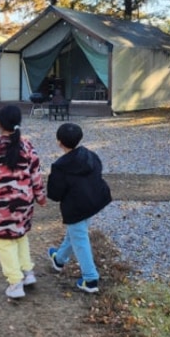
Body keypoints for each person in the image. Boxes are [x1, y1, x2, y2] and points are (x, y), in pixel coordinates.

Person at [0, 105, 46, 299]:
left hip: (0, 205)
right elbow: (36, 175)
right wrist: (40, 196)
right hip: (24, 202)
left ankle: (15, 283)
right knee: (20, 234)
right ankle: (27, 272)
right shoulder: (28, 146)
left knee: (4, 240)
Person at [46, 122, 112, 294]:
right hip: (95, 201)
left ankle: (90, 279)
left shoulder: (60, 167)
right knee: (75, 233)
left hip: (76, 208)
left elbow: (54, 194)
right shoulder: (90, 155)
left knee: (80, 238)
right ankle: (59, 259)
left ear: (59, 142)